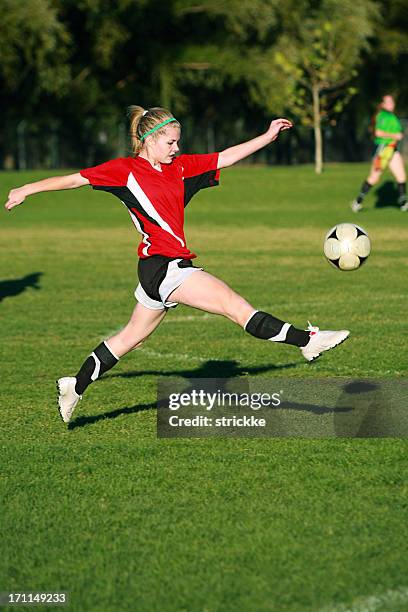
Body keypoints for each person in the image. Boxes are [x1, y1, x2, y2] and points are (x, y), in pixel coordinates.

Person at [5, 106, 350, 424]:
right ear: (149, 140)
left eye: (177, 142)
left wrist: (266, 136)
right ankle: (307, 341)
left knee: (129, 339)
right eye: (170, 142)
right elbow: (75, 179)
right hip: (164, 267)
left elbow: (225, 157)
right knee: (235, 306)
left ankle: (74, 385)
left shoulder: (180, 167)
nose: (175, 148)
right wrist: (26, 189)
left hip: (160, 268)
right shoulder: (124, 171)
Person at [351, 94, 407, 212]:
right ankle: (357, 202)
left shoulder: (392, 116)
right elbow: (378, 133)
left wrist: (398, 136)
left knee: (401, 176)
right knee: (374, 178)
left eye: (392, 102)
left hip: (393, 149)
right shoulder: (382, 116)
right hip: (384, 149)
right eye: (388, 102)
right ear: (383, 104)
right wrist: (394, 136)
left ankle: (403, 203)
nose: (391, 104)